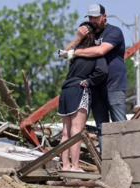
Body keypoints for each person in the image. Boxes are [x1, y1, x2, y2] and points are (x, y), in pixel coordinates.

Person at [59, 4, 128, 152]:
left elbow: (101, 50)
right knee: (101, 127)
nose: (93, 21)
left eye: (96, 18)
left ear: (104, 17)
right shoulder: (90, 35)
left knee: (120, 125)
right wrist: (78, 38)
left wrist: (76, 52)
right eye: (90, 17)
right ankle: (106, 163)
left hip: (113, 85)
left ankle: (127, 160)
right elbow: (64, 53)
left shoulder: (114, 31)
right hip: (95, 87)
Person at [57, 21, 108, 172]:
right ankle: (75, 167)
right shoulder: (94, 52)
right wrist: (89, 81)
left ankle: (65, 166)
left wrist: (77, 38)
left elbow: (64, 52)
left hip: (65, 91)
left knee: (66, 132)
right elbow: (102, 71)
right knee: (77, 131)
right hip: (79, 89)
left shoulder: (75, 51)